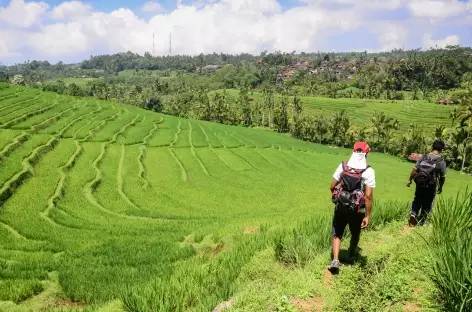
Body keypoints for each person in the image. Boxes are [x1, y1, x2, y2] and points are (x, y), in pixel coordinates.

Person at [328, 142, 375, 274]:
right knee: (355, 233)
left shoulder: (343, 166)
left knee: (337, 232)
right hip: (357, 210)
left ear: (353, 151)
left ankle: (335, 260)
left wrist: (338, 198)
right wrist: (367, 215)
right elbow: (369, 195)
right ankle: (350, 256)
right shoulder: (368, 171)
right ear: (367, 153)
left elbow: (332, 186)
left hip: (341, 207)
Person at [407, 140, 447, 226]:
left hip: (420, 182)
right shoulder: (441, 162)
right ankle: (422, 221)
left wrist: (410, 179)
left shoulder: (423, 157)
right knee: (428, 202)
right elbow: (442, 177)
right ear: (441, 150)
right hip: (431, 185)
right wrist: (440, 187)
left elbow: (415, 170)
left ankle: (413, 214)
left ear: (432, 147)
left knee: (417, 199)